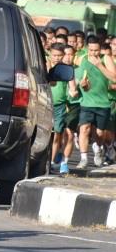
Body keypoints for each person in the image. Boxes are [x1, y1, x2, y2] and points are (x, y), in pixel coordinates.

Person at [73, 36, 116, 169]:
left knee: (99, 133)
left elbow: (114, 78)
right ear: (87, 48)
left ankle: (98, 148)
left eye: (96, 50)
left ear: (100, 49)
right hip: (87, 102)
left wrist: (99, 65)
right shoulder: (82, 59)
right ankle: (84, 158)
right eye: (91, 50)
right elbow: (80, 81)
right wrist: (83, 85)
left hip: (103, 103)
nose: (93, 53)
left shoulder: (106, 59)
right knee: (84, 129)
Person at [48, 42, 77, 175]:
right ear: (49, 53)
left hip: (60, 106)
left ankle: (52, 162)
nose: (57, 58)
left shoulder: (66, 69)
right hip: (43, 103)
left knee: (56, 135)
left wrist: (73, 91)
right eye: (54, 55)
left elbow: (72, 86)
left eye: (60, 55)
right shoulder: (43, 65)